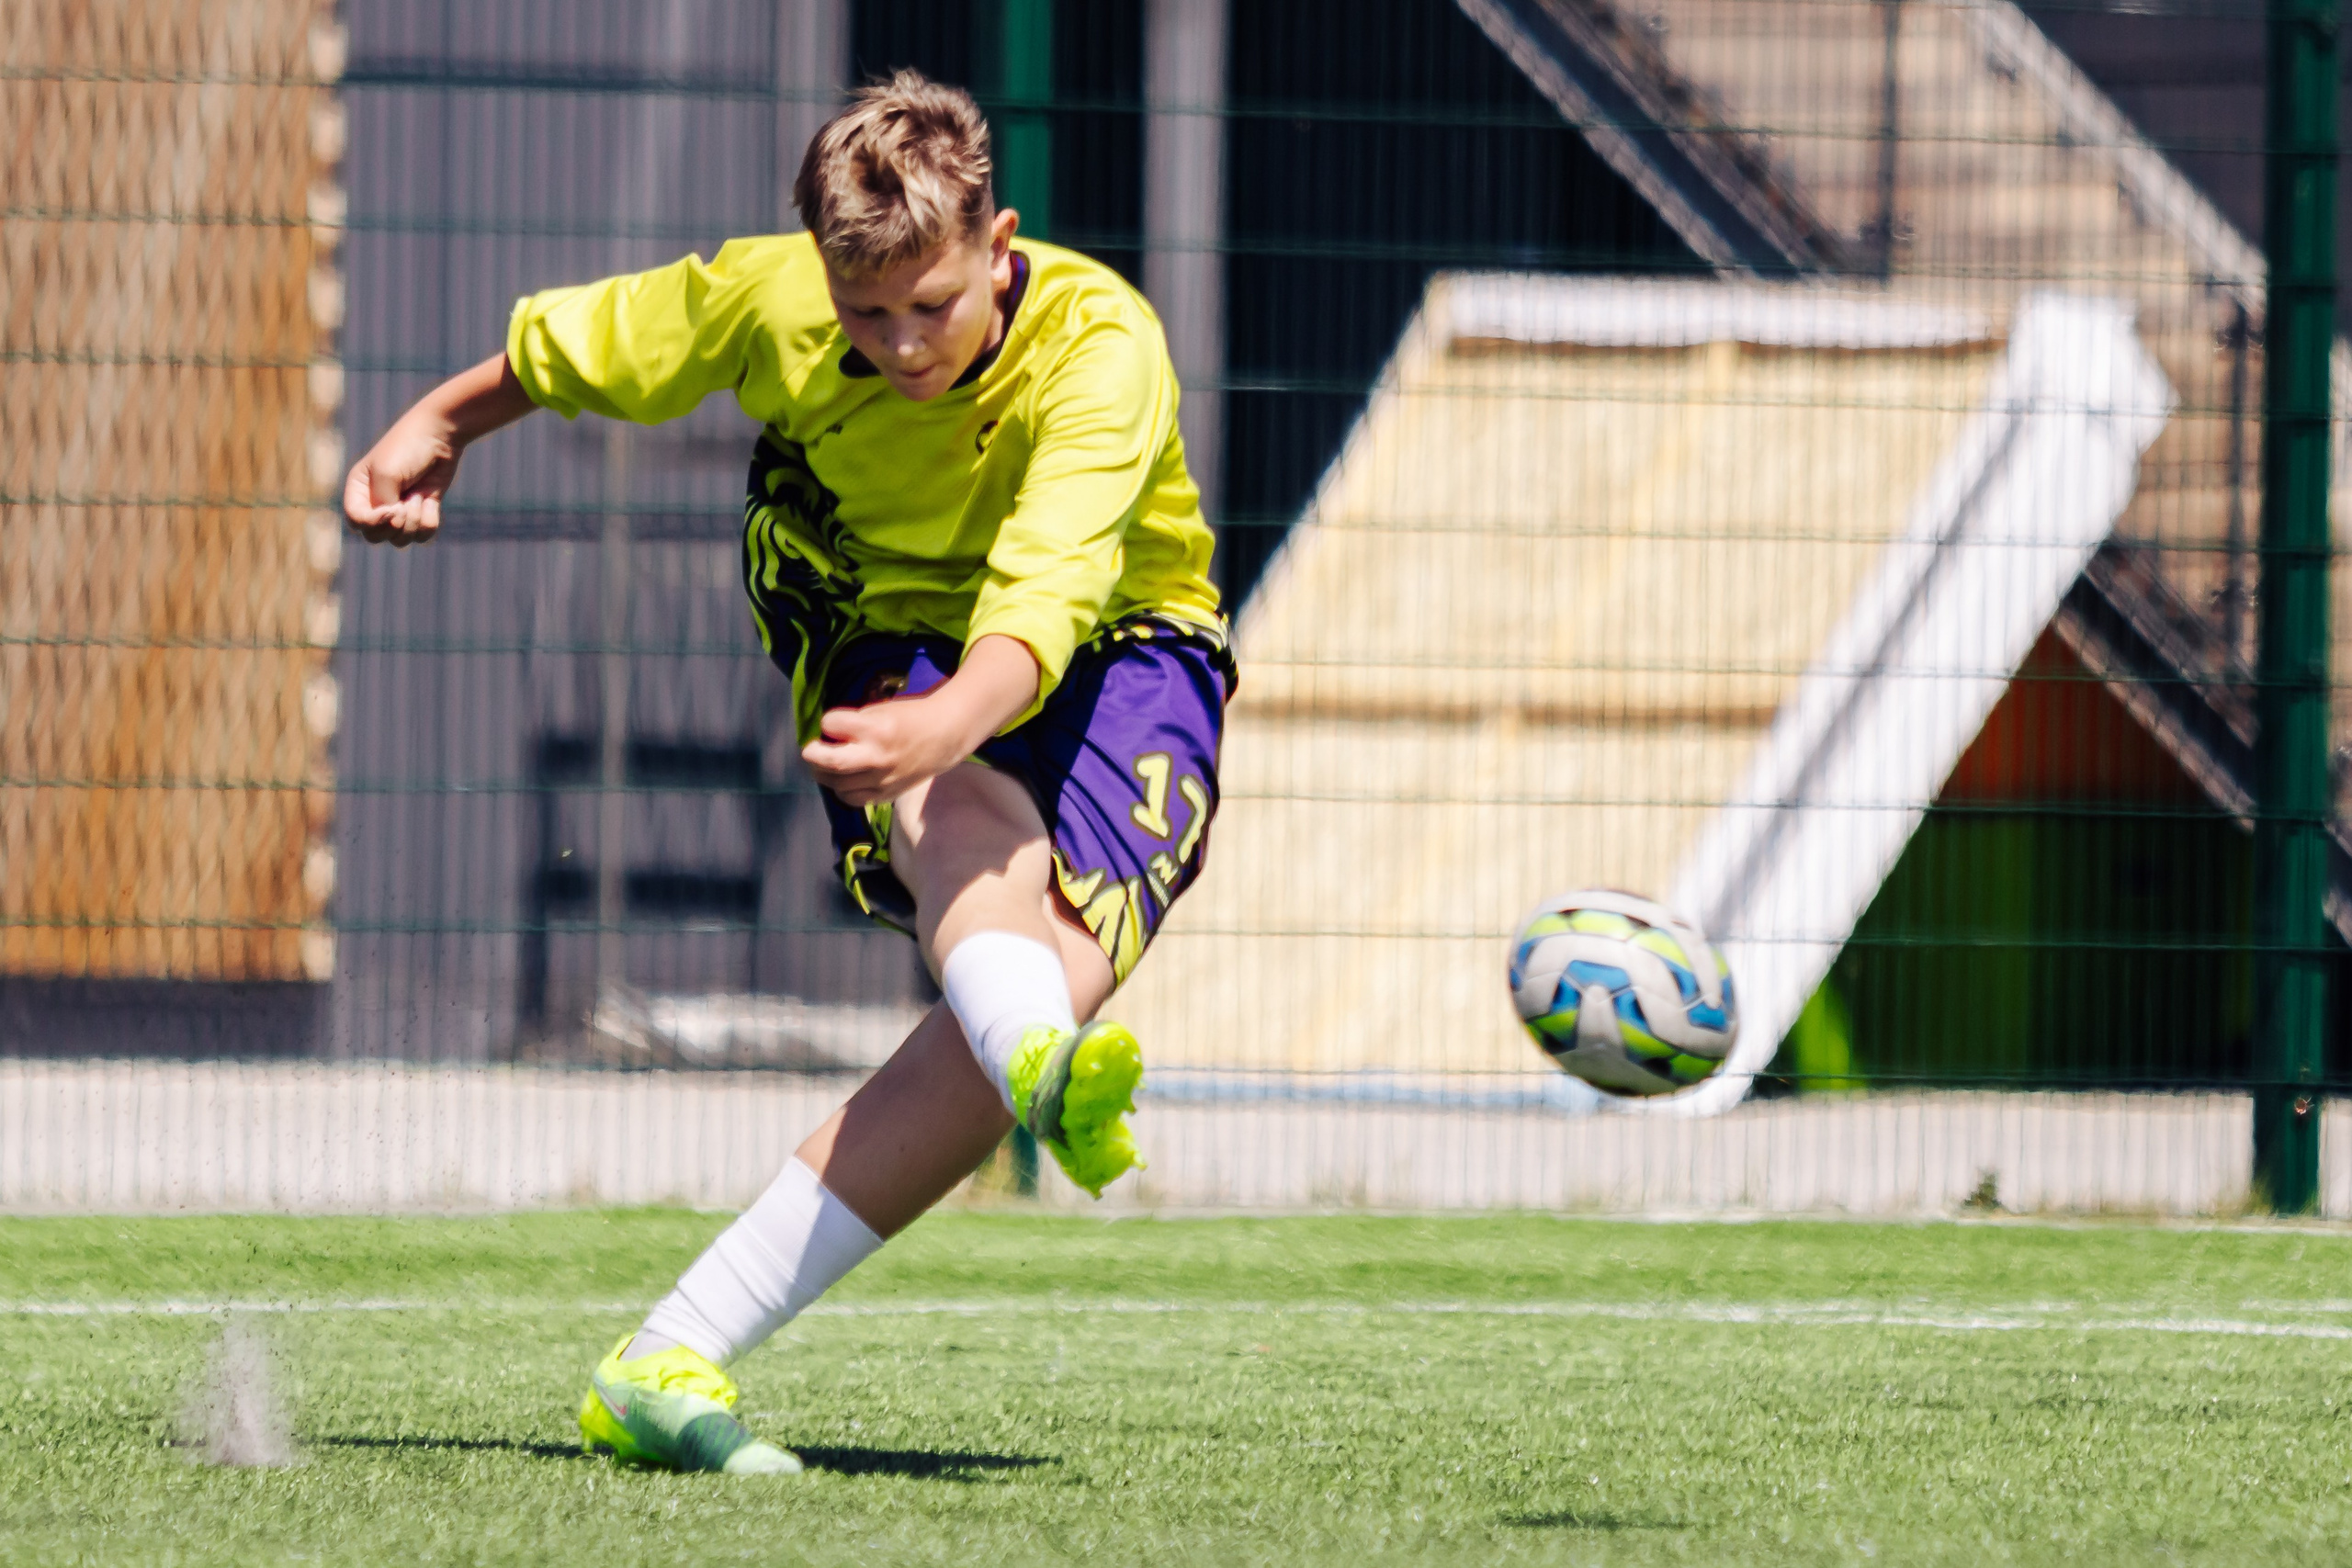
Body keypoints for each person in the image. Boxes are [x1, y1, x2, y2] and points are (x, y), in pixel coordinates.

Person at [342, 71, 1229, 1475]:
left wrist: (953, 720)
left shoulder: (1102, 346)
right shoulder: (781, 300)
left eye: (930, 307)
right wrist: (441, 419)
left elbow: (1048, 593)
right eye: (862, 314)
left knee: (1026, 1002)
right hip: (865, 592)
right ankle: (1036, 1065)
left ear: (1001, 249)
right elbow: (591, 346)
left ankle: (664, 1360)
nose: (895, 345)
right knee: (979, 876)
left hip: (1126, 636)